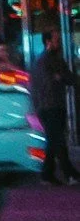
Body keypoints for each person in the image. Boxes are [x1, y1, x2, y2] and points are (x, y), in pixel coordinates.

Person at [37, 32, 76, 185]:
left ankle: (48, 173)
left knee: (54, 140)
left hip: (53, 105)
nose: (58, 42)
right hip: (50, 106)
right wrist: (60, 77)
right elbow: (51, 81)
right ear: (48, 42)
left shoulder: (49, 60)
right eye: (56, 40)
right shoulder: (46, 61)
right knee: (57, 139)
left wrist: (60, 77)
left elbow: (66, 77)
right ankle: (68, 172)